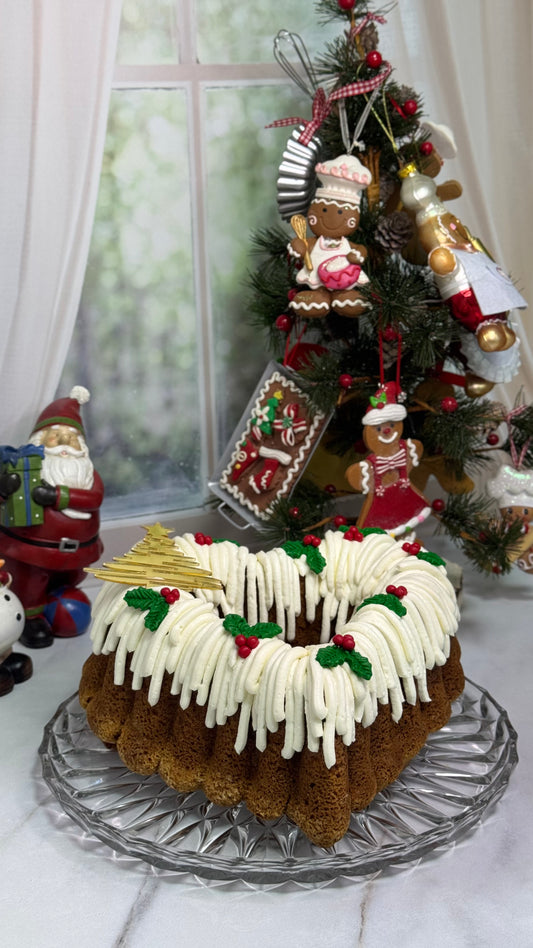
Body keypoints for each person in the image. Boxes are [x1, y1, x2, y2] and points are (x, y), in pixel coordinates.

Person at [0, 387, 103, 647]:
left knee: (73, 576)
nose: (64, 443)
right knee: (32, 580)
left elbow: (94, 498)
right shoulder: (26, 470)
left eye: (71, 437)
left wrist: (57, 496)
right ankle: (32, 616)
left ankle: (64, 601)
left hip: (78, 551)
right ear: (39, 440)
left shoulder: (88, 473)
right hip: (32, 552)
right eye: (55, 437)